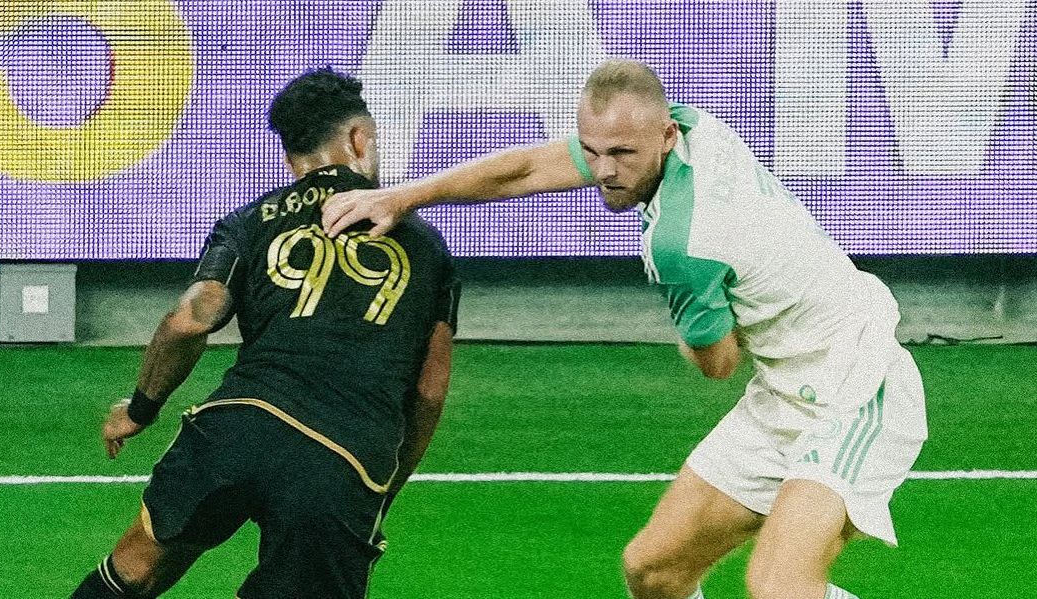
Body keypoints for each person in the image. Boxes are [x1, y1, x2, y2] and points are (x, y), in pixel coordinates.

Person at [321, 58, 926, 599]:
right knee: (653, 571)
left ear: (663, 136)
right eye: (594, 151)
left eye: (622, 155)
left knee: (777, 586)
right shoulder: (693, 129)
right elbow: (528, 167)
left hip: (856, 386)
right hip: (783, 394)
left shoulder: (683, 243)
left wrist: (692, 317)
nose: (604, 171)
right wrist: (406, 195)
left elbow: (718, 363)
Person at [70, 67, 460, 599]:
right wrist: (379, 490)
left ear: (290, 160)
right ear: (359, 140)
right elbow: (429, 390)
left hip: (234, 428)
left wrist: (139, 409)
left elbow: (190, 320)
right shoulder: (425, 244)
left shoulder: (250, 221)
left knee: (136, 568)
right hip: (341, 457)